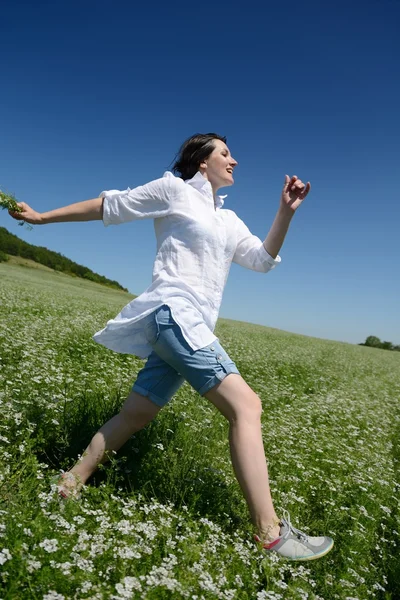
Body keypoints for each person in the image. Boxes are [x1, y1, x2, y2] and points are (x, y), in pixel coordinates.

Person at [9, 133, 333, 561]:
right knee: (247, 407)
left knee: (136, 414)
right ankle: (270, 535)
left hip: (191, 324)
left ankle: (67, 485)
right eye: (225, 153)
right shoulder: (173, 190)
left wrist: (285, 213)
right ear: (202, 162)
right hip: (174, 313)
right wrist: (42, 218)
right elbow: (111, 205)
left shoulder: (229, 219)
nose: (234, 160)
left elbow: (261, 259)